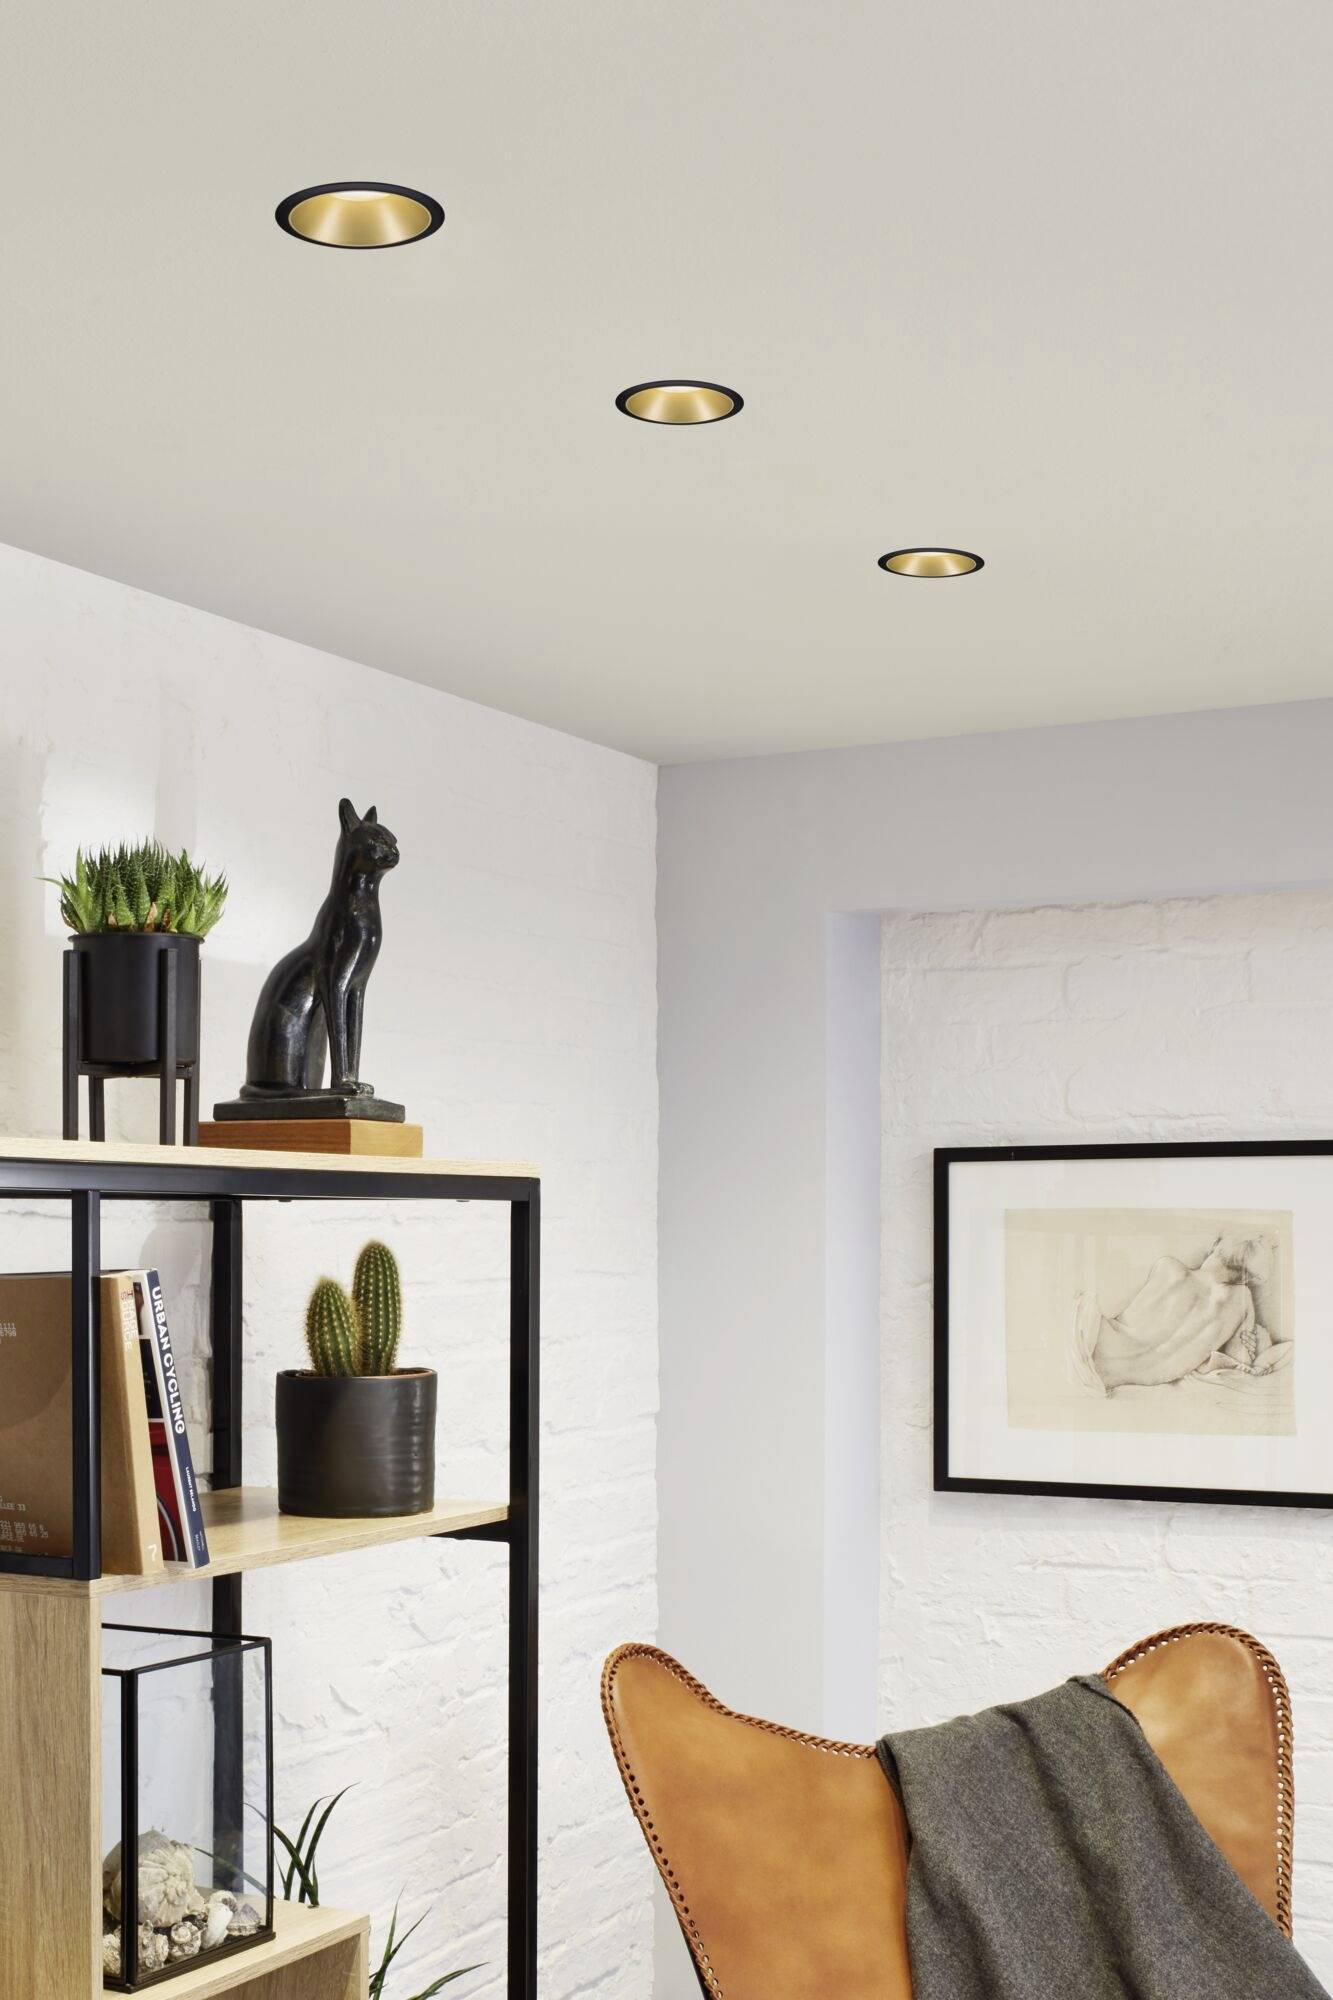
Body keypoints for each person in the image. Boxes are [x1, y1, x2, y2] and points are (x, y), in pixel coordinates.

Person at [1070, 1234, 1292, 1395]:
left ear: (1214, 1246)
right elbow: (1238, 1362)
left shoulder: (1168, 1267)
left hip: (1089, 1351)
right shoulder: (1241, 1302)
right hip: (1116, 1379)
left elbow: (1114, 1311)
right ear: (1249, 1278)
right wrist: (1253, 1342)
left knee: (1083, 1299)